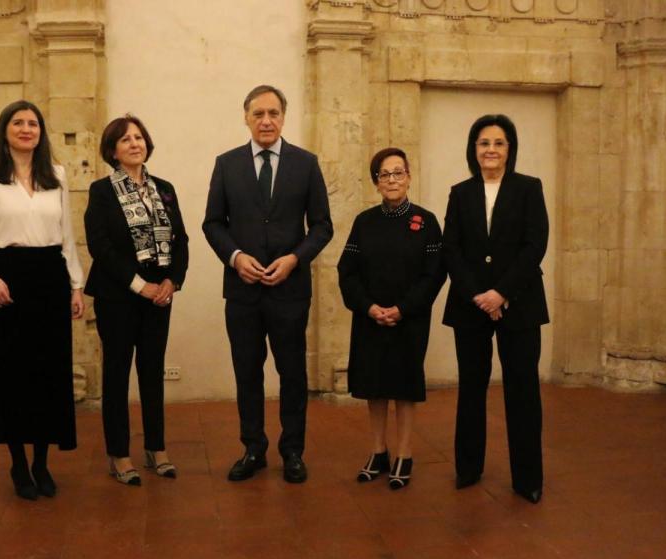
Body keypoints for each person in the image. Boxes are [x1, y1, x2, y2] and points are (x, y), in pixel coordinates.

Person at [203, 85, 333, 484]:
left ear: (283, 117)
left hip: (289, 291)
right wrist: (236, 257)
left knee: (292, 373)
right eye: (258, 113)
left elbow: (323, 226)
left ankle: (292, 451)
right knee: (247, 372)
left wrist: (295, 258)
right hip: (242, 291)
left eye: (273, 113)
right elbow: (212, 223)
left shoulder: (305, 164)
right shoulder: (227, 164)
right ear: (245, 117)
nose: (266, 121)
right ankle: (253, 448)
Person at [0, 100, 85, 501]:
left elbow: (66, 236)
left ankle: (42, 464)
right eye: (18, 123)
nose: (26, 129)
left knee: (48, 374)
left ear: (41, 132)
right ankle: (18, 464)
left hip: (49, 279)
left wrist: (76, 285)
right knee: (11, 375)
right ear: (5, 130)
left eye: (33, 123)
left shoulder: (57, 176)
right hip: (7, 282)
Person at [442, 114, 549, 504]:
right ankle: (468, 469)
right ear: (474, 150)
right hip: (471, 306)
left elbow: (535, 245)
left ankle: (528, 479)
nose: (491, 149)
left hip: (519, 305)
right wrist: (479, 295)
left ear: (510, 149)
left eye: (499, 143)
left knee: (522, 391)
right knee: (471, 388)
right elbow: (451, 248)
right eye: (483, 142)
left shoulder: (528, 188)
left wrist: (501, 293)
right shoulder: (460, 192)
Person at [85, 115, 189, 486]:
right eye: (125, 139)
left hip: (159, 298)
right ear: (112, 150)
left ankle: (156, 449)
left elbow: (181, 241)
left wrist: (172, 281)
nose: (134, 143)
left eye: (139, 137)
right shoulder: (101, 191)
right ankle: (120, 454)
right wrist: (137, 284)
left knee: (152, 372)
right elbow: (101, 246)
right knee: (116, 375)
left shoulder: (165, 188)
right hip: (118, 296)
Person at [338, 148, 445, 490]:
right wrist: (369, 307)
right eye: (385, 174)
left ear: (409, 177)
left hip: (409, 319)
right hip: (370, 318)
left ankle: (404, 454)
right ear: (376, 182)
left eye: (398, 173)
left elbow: (434, 274)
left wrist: (403, 308)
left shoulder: (426, 222)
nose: (392, 180)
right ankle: (377, 451)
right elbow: (347, 271)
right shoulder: (364, 222)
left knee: (404, 386)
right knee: (374, 385)